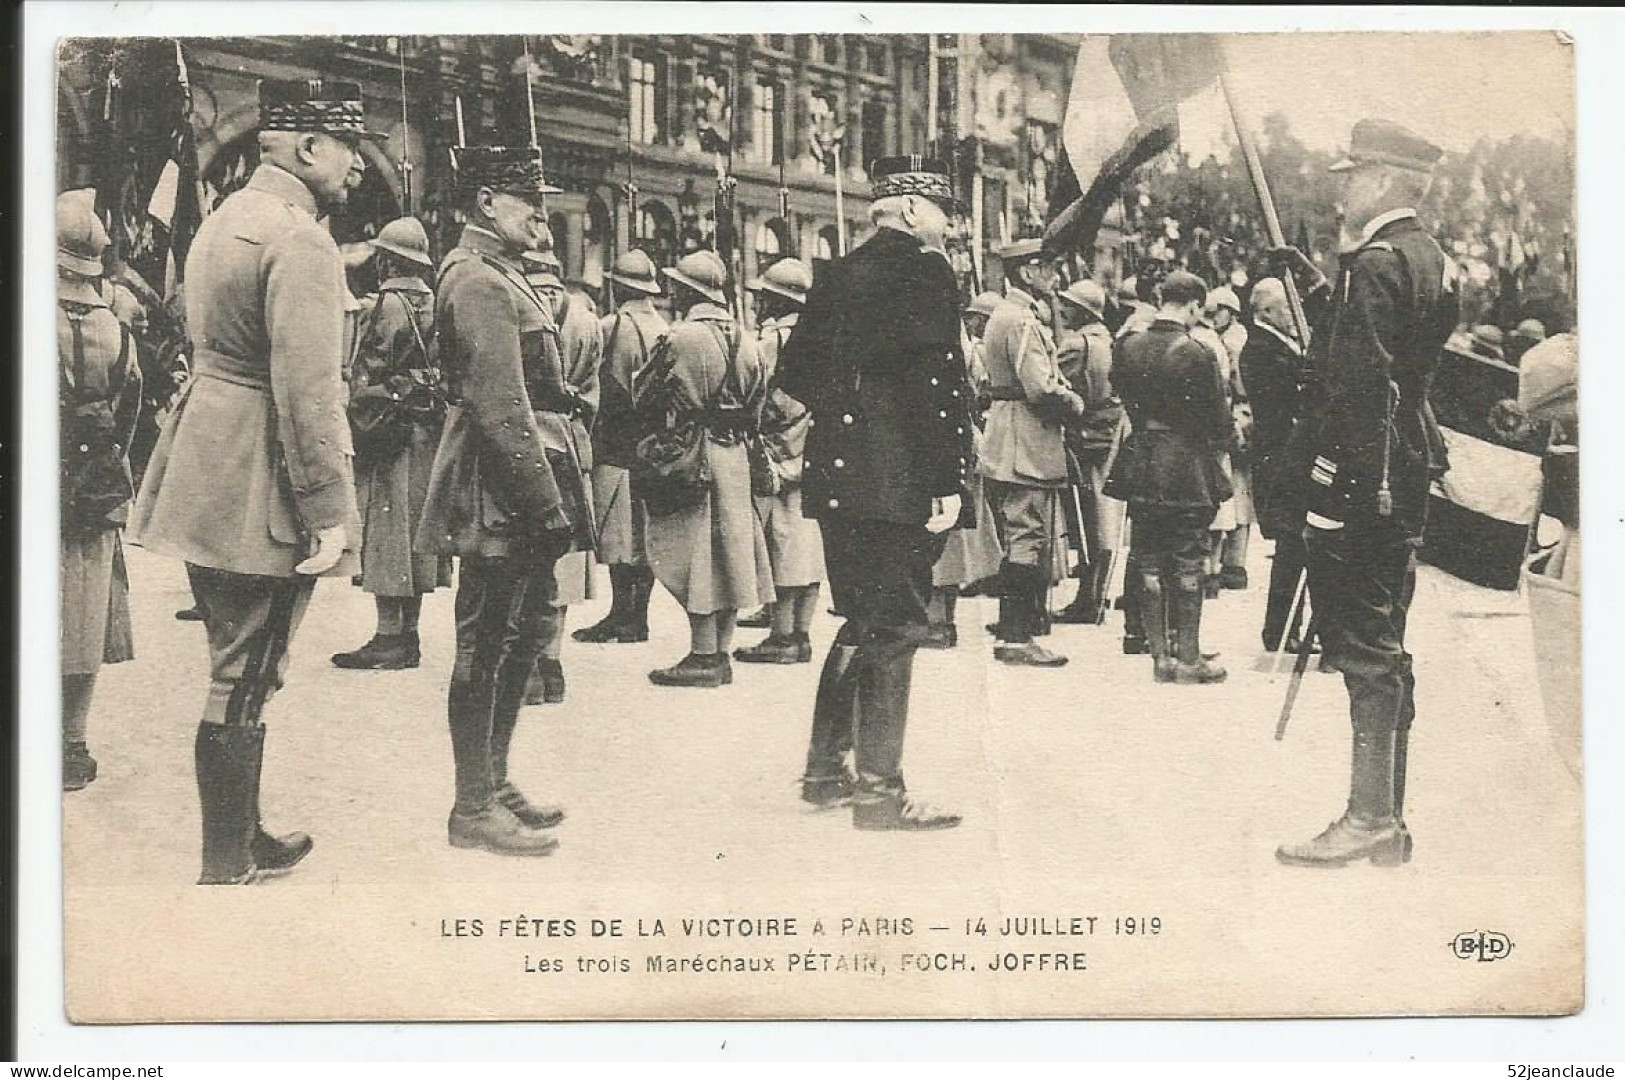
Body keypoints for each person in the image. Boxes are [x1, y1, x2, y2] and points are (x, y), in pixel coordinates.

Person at [129, 78, 379, 883]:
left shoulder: (225, 218)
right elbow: (307, 393)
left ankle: (244, 835)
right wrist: (328, 512)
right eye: (346, 151)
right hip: (260, 477)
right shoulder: (300, 239)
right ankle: (226, 856)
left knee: (232, 656)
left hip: (206, 459)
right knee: (249, 666)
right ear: (309, 147)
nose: (355, 171)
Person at [1270, 118, 1459, 867]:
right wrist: (1321, 291)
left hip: (1362, 477)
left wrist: (1331, 490)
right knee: (1386, 638)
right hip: (1402, 466)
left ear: (1380, 180)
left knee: (1362, 644)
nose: (1341, 188)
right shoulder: (1423, 256)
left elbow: (1356, 382)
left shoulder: (1373, 262)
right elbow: (1393, 355)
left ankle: (1369, 816)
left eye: (1349, 177)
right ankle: (1388, 819)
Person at [777, 155, 975, 830]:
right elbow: (934, 385)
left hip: (838, 474)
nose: (951, 225)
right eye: (945, 212)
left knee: (859, 621)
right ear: (914, 211)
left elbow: (795, 373)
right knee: (895, 628)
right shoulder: (924, 269)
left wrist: (852, 400)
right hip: (897, 480)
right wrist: (944, 480)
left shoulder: (837, 273)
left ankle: (825, 772)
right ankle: (880, 793)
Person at [415, 143, 580, 858]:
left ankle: (495, 779)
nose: (540, 218)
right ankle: (471, 804)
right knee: (483, 643)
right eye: (528, 203)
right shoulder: (477, 279)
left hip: (513, 481)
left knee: (518, 639)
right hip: (497, 488)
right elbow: (498, 403)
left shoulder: (500, 275)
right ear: (486, 201)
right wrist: (545, 504)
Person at [634, 249, 775, 688]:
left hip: (692, 452)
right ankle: (721, 653)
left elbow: (645, 394)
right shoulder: (749, 340)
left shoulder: (680, 338)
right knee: (732, 553)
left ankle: (701, 653)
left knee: (693, 551)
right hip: (735, 454)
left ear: (686, 290)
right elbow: (757, 407)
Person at [330, 216, 450, 671]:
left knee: (386, 530)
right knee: (416, 530)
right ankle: (410, 633)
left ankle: (388, 636)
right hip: (427, 429)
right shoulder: (434, 303)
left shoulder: (384, 306)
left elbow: (368, 367)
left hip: (388, 429)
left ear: (387, 259)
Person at [1105, 270, 1232, 685]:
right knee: (1188, 558)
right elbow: (1218, 421)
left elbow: (1118, 391)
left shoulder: (1126, 346)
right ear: (1194, 306)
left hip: (1141, 462)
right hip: (1186, 467)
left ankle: (1160, 658)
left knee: (1148, 559)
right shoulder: (1197, 353)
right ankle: (1190, 657)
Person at [58, 190, 143, 792]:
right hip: (96, 489)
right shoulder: (114, 324)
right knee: (85, 619)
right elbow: (130, 406)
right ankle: (72, 742)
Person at [979, 238, 1085, 667]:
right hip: (1026, 435)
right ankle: (1016, 637)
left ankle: (1015, 632)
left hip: (1012, 431)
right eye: (1048, 269)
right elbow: (1040, 386)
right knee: (1026, 536)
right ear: (1027, 272)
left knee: (1021, 535)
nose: (1055, 277)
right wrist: (1073, 401)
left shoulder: (1007, 315)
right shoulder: (1021, 321)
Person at [520, 248, 602, 706]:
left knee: (524, 553)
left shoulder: (515, 306)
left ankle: (527, 665)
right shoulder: (586, 318)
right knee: (566, 556)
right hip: (572, 444)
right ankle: (552, 661)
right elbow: (592, 395)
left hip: (528, 442)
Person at [734, 257, 827, 665]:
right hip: (815, 448)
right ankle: (800, 633)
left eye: (762, 298)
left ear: (775, 300)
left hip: (780, 447)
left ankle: (783, 635)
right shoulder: (821, 337)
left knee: (784, 543)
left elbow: (758, 395)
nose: (757, 305)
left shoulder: (774, 341)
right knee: (807, 544)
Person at [574, 249, 667, 645]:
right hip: (654, 442)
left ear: (617, 287)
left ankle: (621, 614)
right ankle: (637, 616)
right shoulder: (665, 326)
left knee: (617, 530)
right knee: (643, 531)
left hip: (614, 440)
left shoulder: (610, 326)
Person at [1240, 277, 1315, 653]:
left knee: (1296, 546)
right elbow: (1283, 400)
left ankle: (1286, 628)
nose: (1294, 314)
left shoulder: (1283, 345)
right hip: (1280, 457)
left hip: (1288, 455)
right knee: (1291, 544)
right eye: (1288, 307)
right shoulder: (1260, 348)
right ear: (1267, 310)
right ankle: (1282, 630)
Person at [1051, 278, 1125, 625]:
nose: (1061, 310)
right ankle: (1094, 595)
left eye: (1067, 305)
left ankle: (1088, 598)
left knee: (1087, 521)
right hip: (1107, 436)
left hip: (1082, 437)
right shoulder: (1109, 341)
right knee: (1100, 517)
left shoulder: (1076, 344)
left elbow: (1056, 387)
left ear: (1081, 311)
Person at [1206, 285, 1254, 591]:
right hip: (1243, 414)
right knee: (1239, 489)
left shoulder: (1234, 342)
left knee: (1234, 488)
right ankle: (1235, 562)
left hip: (1238, 414)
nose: (1212, 318)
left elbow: (1236, 383)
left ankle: (1233, 562)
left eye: (1217, 312)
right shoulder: (1232, 338)